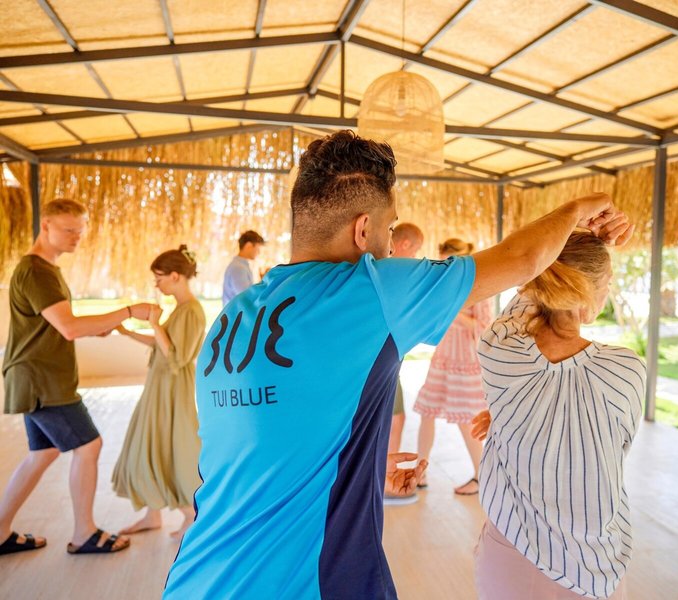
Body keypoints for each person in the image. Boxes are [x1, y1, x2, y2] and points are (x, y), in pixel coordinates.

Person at [164, 130, 632, 599]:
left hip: (197, 577)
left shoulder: (233, 318)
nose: (390, 249)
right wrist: (579, 208)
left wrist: (358, 469)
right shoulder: (371, 289)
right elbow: (522, 259)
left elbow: (249, 445)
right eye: (389, 232)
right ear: (363, 229)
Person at [471, 232, 644, 600]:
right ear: (588, 291)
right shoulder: (626, 369)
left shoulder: (500, 354)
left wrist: (510, 418)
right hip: (597, 567)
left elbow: (517, 309)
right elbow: (615, 449)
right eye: (607, 282)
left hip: (512, 550)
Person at [0, 199, 154, 557]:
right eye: (69, 230)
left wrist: (98, 327)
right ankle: (84, 533)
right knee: (89, 446)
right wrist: (129, 311)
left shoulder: (46, 269)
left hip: (37, 378)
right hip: (42, 381)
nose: (76, 237)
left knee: (43, 453)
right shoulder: (36, 271)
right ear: (46, 225)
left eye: (80, 231)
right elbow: (68, 327)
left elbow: (59, 324)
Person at [112, 245, 206, 540]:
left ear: (175, 276)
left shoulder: (191, 311)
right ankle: (152, 514)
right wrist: (127, 332)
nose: (157, 284)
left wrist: (154, 324)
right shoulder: (180, 308)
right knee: (150, 442)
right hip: (160, 385)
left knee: (173, 445)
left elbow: (178, 357)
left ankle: (189, 513)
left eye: (159, 278)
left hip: (173, 388)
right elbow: (160, 343)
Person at [413, 238, 493, 496]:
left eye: (449, 261)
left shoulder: (479, 284)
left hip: (466, 358)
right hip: (444, 355)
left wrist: (451, 312)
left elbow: (484, 327)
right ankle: (420, 471)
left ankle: (481, 477)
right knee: (427, 411)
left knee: (467, 419)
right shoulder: (444, 285)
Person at [384, 223, 425, 506]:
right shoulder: (393, 274)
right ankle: (385, 477)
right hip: (381, 364)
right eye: (416, 250)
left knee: (395, 418)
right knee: (395, 419)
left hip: (387, 361)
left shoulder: (382, 272)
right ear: (406, 244)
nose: (416, 256)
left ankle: (383, 474)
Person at [222, 230, 265, 305]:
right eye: (258, 248)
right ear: (249, 245)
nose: (259, 252)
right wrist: (265, 282)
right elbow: (247, 298)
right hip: (236, 312)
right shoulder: (238, 268)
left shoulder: (240, 265)